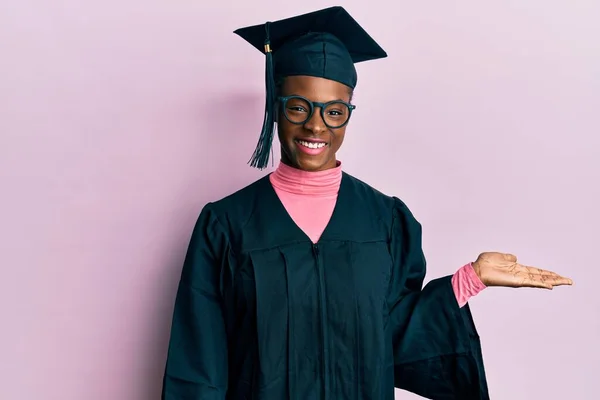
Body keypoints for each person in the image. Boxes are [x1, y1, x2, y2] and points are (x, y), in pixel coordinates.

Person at [160, 6, 572, 400]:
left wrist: (470, 280)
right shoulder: (226, 224)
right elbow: (198, 363)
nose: (316, 125)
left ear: (348, 114)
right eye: (299, 107)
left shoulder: (385, 219)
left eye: (335, 111)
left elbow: (395, 337)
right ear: (276, 108)